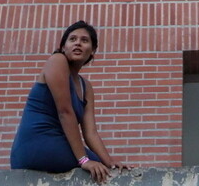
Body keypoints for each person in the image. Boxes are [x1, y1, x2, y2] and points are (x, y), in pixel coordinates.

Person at [10, 21, 123, 183]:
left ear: (92, 51)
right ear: (63, 47)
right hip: (36, 143)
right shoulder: (57, 60)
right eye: (72, 39)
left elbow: (90, 132)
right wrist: (84, 160)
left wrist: (110, 162)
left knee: (102, 167)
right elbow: (65, 111)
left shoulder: (86, 87)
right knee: (97, 169)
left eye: (84, 40)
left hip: (59, 144)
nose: (78, 43)